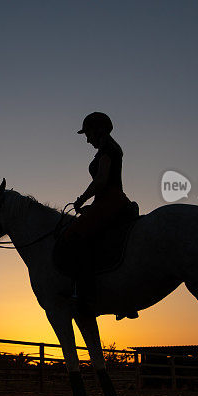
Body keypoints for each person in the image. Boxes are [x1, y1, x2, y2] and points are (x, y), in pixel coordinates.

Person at [54, 111, 138, 318]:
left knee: (73, 237)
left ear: (97, 131)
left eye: (88, 134)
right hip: (106, 201)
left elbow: (101, 181)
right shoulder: (108, 149)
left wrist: (81, 199)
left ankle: (83, 295)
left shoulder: (108, 150)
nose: (87, 139)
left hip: (110, 201)